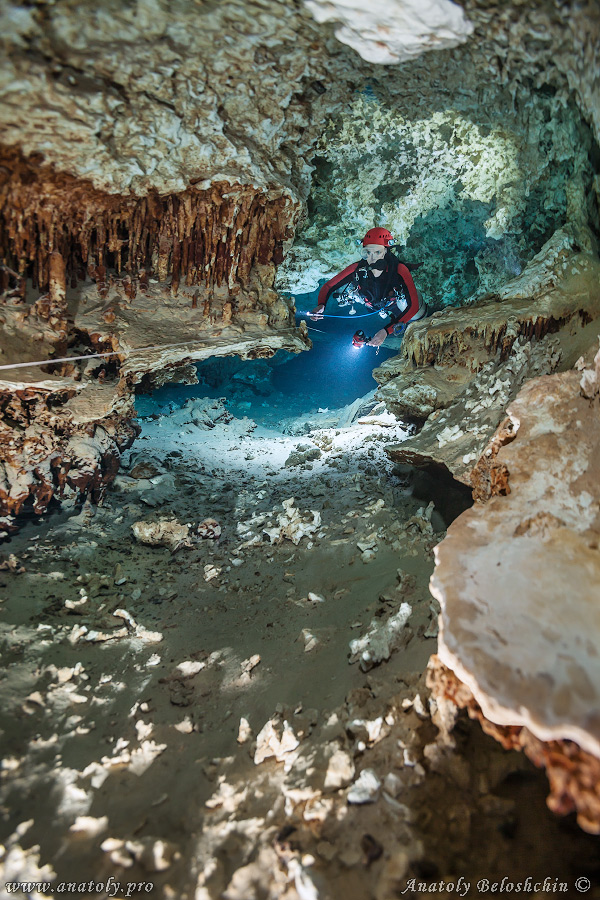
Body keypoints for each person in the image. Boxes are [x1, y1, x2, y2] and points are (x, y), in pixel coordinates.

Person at [308, 227, 427, 347]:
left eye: (377, 252)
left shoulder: (399, 270)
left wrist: (386, 331)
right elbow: (329, 286)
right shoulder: (358, 269)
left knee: (417, 318)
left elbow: (413, 306)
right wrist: (321, 305)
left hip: (394, 304)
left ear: (386, 251)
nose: (372, 258)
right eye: (368, 252)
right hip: (372, 305)